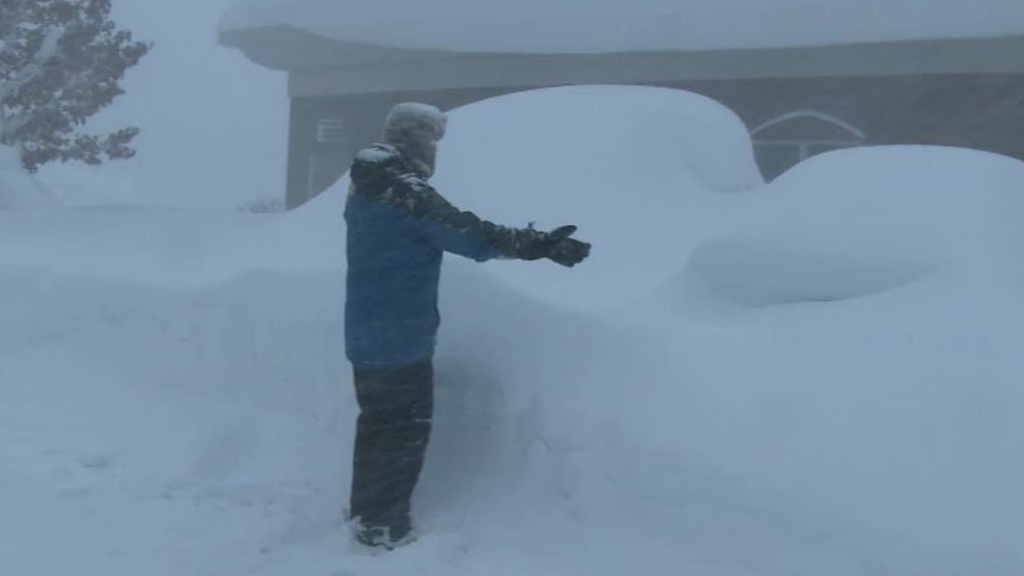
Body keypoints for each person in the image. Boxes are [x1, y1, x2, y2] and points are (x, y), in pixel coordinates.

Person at [344, 102, 591, 549]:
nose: (434, 152)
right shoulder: (403, 191)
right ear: (415, 141)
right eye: (431, 141)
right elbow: (469, 234)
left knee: (379, 426)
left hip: (368, 331)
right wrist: (538, 245)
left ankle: (367, 516)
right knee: (400, 433)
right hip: (401, 337)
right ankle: (382, 528)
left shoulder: (368, 184)